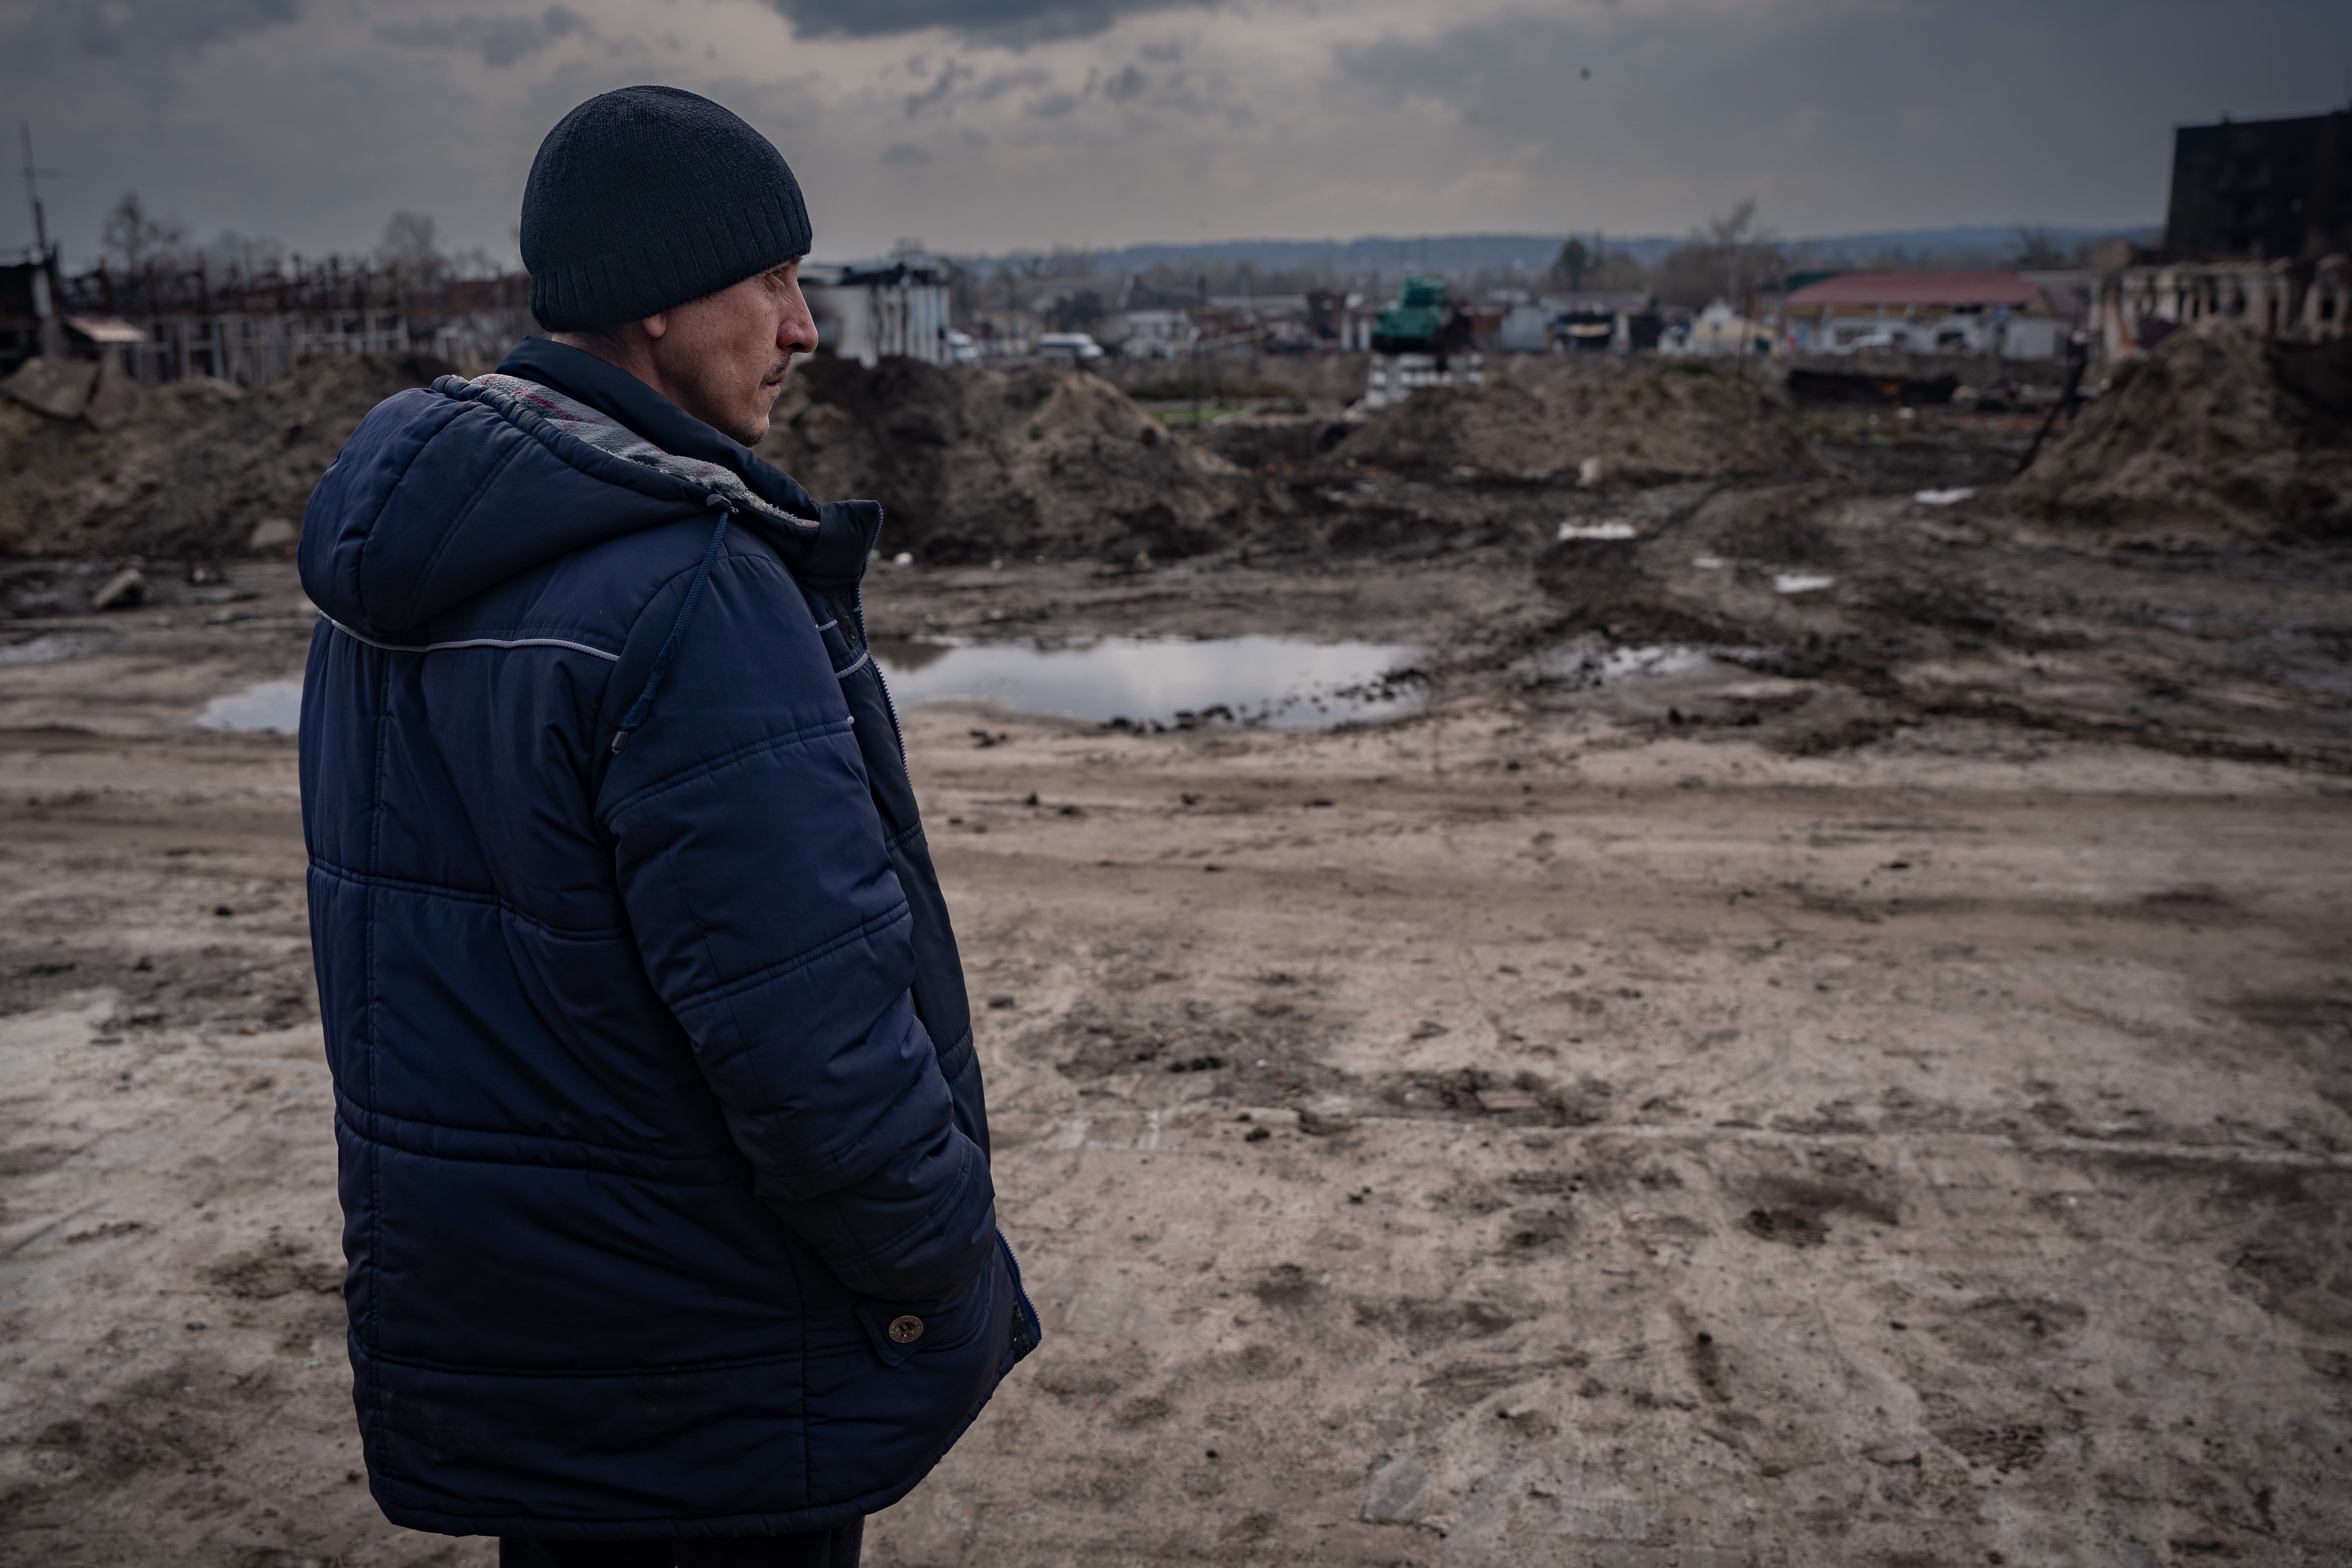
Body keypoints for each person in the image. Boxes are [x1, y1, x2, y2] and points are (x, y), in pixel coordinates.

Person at [296, 86, 1037, 1568]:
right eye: (767, 279)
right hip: (708, 1339)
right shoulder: (692, 589)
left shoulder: (401, 569)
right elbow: (811, 1034)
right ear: (650, 305)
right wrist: (940, 1250)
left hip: (524, 1317)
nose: (804, 325)